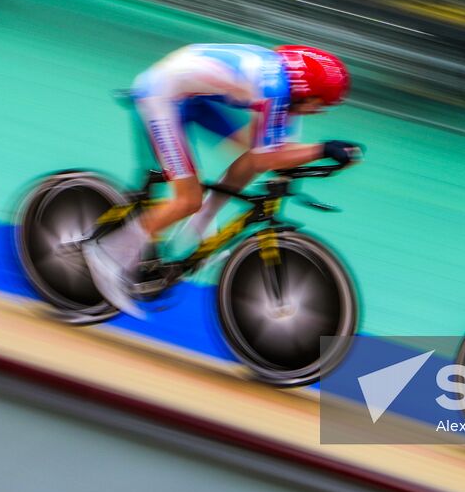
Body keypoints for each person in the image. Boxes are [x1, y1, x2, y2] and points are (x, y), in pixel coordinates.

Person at [83, 43, 360, 317]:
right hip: (161, 96)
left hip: (191, 95)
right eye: (320, 104)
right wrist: (323, 149)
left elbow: (273, 155)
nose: (320, 111)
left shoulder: (287, 93)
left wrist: (313, 157)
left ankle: (203, 216)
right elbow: (269, 158)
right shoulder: (274, 87)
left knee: (251, 154)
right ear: (306, 91)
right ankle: (108, 253)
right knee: (187, 198)